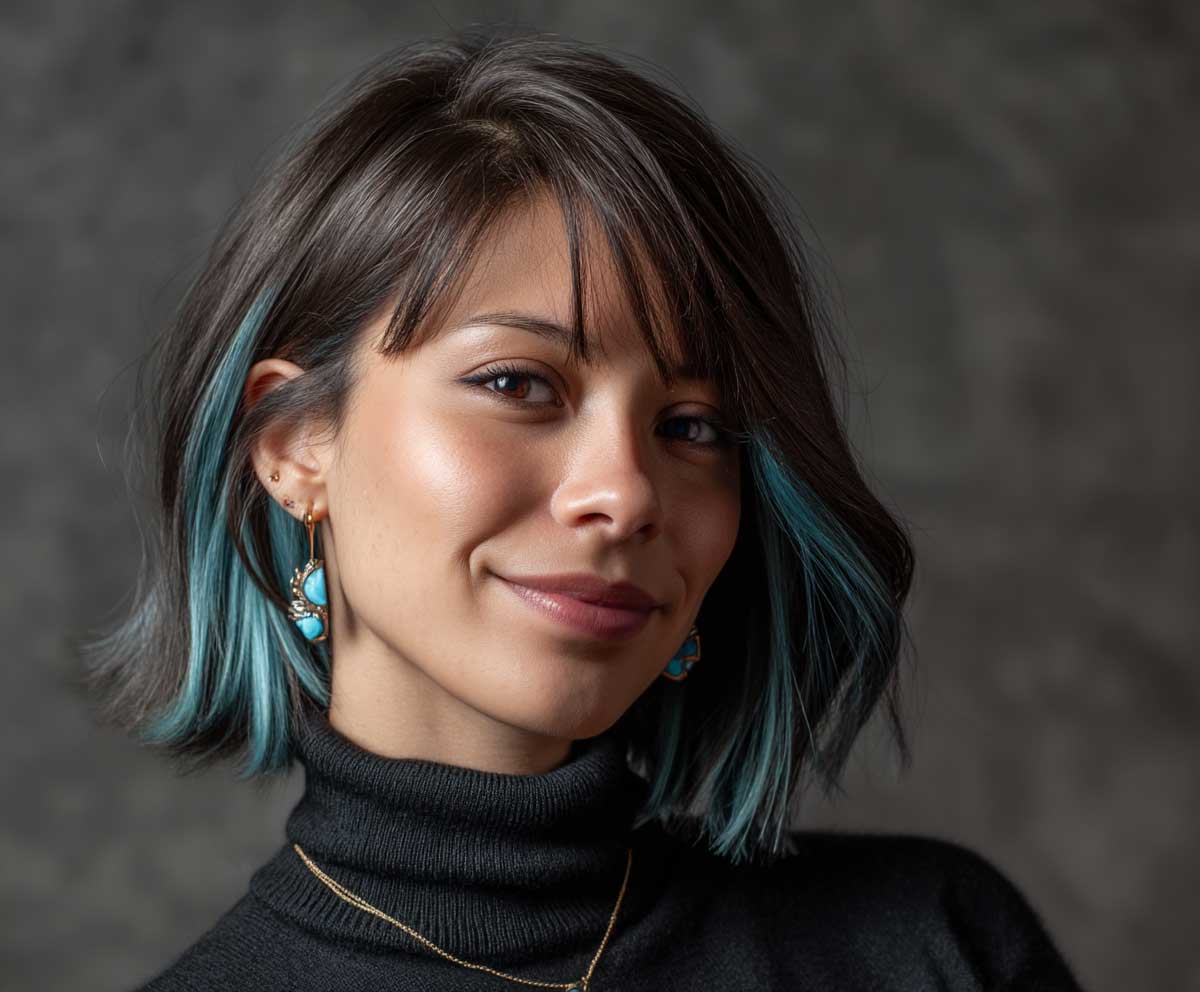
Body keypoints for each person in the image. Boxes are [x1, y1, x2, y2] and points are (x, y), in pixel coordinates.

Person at [84, 29, 1085, 992]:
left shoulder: (936, 946)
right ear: (296, 444)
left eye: (694, 427)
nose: (628, 492)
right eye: (520, 384)